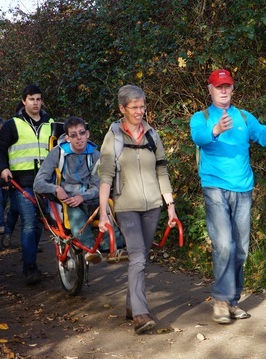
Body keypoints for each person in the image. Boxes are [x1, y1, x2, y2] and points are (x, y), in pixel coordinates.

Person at [190, 69, 266, 324]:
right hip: (214, 188)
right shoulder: (200, 118)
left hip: (243, 190)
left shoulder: (244, 117)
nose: (223, 91)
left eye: (227, 87)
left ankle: (232, 301)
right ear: (210, 90)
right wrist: (216, 130)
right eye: (218, 87)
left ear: (233, 90)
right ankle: (221, 301)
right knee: (224, 245)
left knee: (241, 249)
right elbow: (198, 137)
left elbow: (265, 139)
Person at [98, 85, 178, 334]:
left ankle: (132, 305)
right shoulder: (114, 136)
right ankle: (141, 315)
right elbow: (106, 176)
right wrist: (103, 211)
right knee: (138, 256)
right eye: (134, 107)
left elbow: (161, 170)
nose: (140, 111)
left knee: (142, 256)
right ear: (122, 109)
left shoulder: (152, 135)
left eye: (142, 106)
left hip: (153, 205)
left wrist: (170, 206)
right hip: (126, 206)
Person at [34, 116, 124, 264]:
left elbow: (100, 185)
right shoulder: (58, 153)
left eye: (82, 133)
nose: (79, 138)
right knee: (76, 214)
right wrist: (56, 189)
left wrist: (84, 196)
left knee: (108, 206)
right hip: (68, 199)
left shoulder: (95, 154)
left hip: (90, 196)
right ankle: (90, 248)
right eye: (74, 135)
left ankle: (113, 246)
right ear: (68, 138)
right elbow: (38, 183)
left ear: (87, 134)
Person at [0, 84, 53, 285]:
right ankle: (30, 267)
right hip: (22, 183)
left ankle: (30, 259)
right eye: (31, 99)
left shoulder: (51, 123)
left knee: (37, 227)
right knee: (28, 224)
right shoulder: (13, 124)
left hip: (47, 183)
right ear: (24, 101)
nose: (35, 103)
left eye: (38, 99)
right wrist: (3, 169)